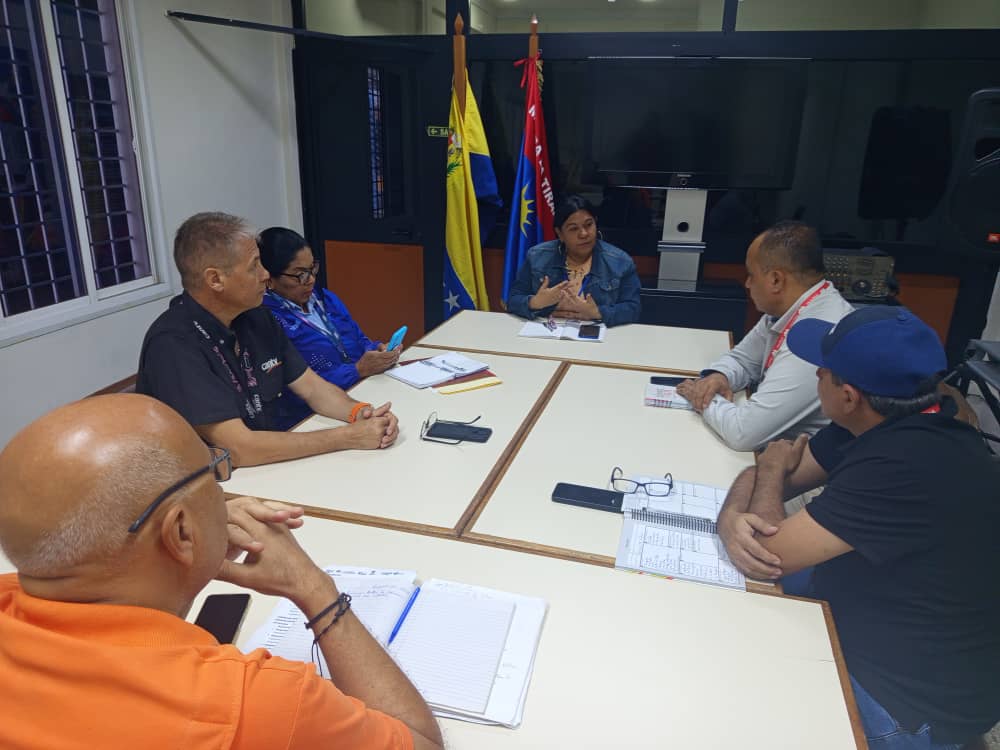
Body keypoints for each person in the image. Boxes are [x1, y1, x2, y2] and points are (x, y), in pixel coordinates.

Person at [0, 394, 444, 749]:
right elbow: (419, 742)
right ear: (180, 531)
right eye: (215, 475)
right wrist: (312, 586)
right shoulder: (252, 704)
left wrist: (192, 544)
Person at [716, 306, 1000, 749]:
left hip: (907, 705)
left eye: (824, 371)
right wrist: (736, 513)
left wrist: (765, 473)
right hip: (879, 616)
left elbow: (768, 554)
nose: (816, 376)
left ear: (848, 396)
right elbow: (778, 482)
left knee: (728, 688)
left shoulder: (904, 464)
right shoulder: (896, 415)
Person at [136, 212, 398, 467]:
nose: (265, 275)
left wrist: (361, 413)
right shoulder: (173, 344)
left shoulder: (257, 317)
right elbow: (238, 448)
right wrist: (347, 437)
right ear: (215, 279)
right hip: (218, 482)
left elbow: (313, 388)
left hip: (270, 463)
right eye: (254, 266)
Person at [676, 221, 853, 452]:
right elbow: (742, 360)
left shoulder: (819, 334)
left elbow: (743, 433)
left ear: (776, 280)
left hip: (804, 462)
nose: (747, 283)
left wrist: (701, 397)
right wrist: (720, 377)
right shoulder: (791, 307)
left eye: (751, 275)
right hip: (774, 446)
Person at [257, 227, 399, 429]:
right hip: (314, 417)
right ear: (269, 279)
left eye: (312, 269)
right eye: (300, 275)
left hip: (361, 390)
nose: (311, 280)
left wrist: (377, 351)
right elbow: (299, 387)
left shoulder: (325, 299)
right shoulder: (268, 320)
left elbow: (359, 340)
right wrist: (357, 370)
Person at [507, 194, 641, 327]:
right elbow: (513, 300)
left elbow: (633, 308)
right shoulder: (537, 256)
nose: (584, 234)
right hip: (548, 330)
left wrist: (597, 312)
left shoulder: (620, 262)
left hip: (596, 332)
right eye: (574, 229)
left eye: (589, 225)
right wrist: (535, 302)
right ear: (560, 233)